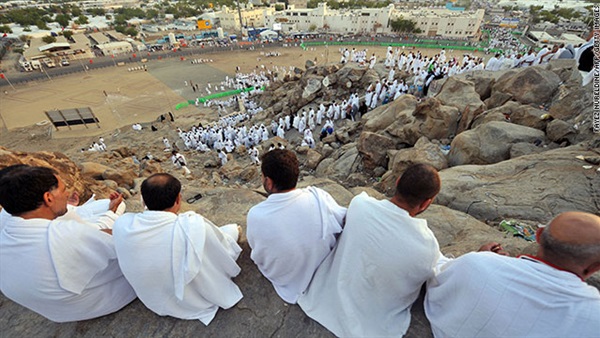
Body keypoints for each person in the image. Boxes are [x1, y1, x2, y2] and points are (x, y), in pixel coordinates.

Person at [298, 164, 443, 337]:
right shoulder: (427, 247)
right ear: (427, 202)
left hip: (322, 301)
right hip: (373, 328)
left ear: (397, 182)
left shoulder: (360, 204)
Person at [425, 211, 600, 338]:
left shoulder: (476, 265)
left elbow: (435, 272)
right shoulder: (594, 315)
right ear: (595, 267)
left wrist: (482, 257)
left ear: (538, 236)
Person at [0, 165, 135, 323]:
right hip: (96, 302)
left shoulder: (6, 228)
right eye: (63, 190)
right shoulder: (64, 233)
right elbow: (124, 245)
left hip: (56, 312)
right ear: (48, 198)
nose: (67, 194)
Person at [113, 173, 243, 325]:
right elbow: (222, 248)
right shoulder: (192, 225)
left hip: (152, 300)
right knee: (231, 230)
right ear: (178, 199)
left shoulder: (122, 224)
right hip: (189, 302)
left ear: (143, 201)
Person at [246, 149, 346, 304]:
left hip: (288, 283)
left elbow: (258, 255)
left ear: (269, 182)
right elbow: (341, 221)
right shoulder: (318, 197)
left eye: (262, 176)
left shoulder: (256, 215)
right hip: (323, 271)